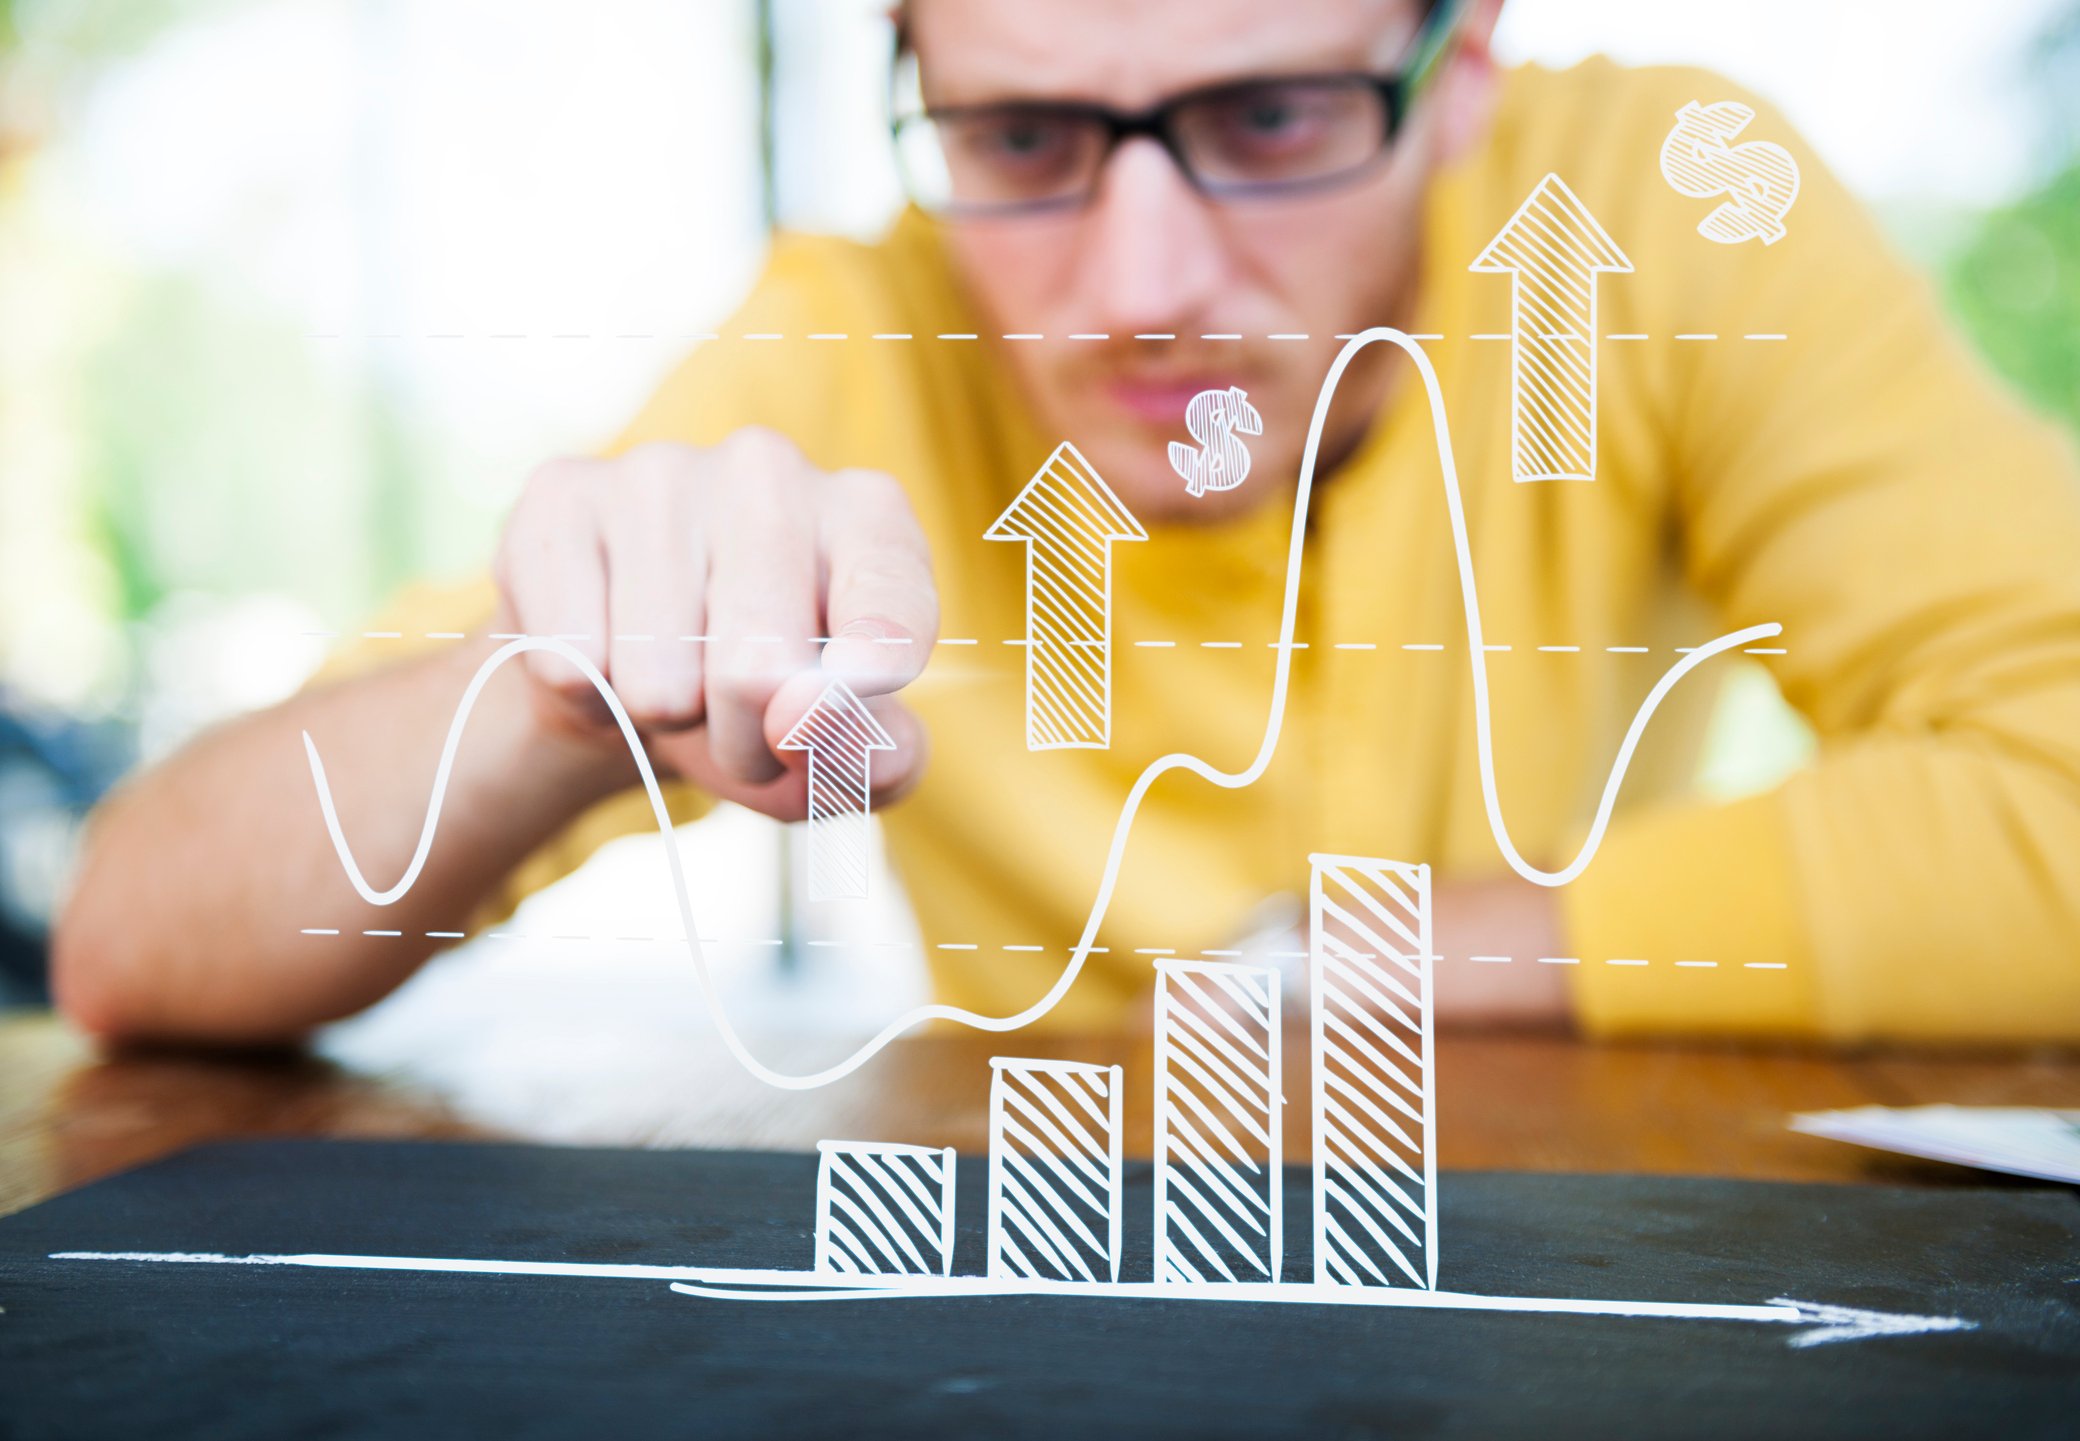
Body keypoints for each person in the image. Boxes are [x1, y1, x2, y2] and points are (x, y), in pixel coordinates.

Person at [52, 0, 2080, 1047]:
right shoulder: (854, 334)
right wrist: (542, 705)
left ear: (1458, 69)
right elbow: (131, 944)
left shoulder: (1629, 217)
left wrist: (1358, 962)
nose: (1137, 280)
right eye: (1019, 135)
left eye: (1267, 119)